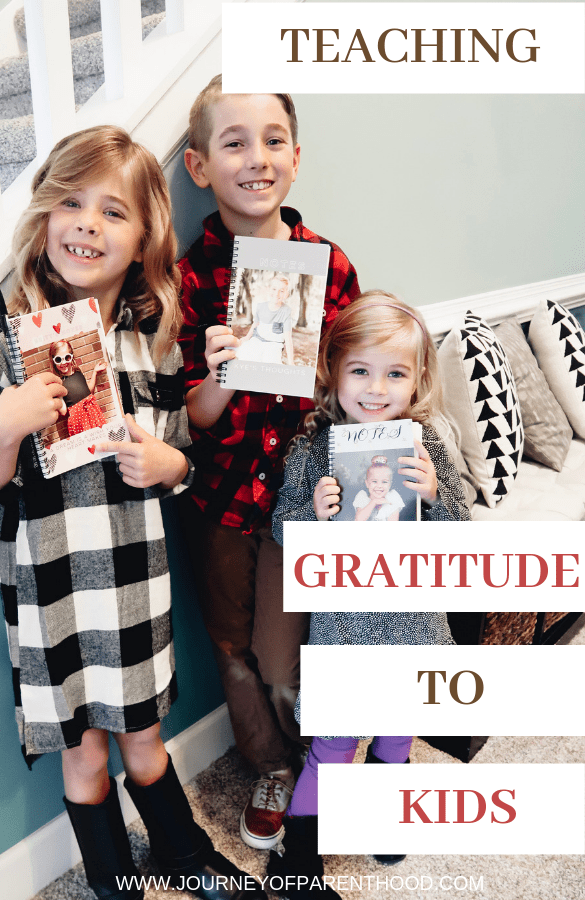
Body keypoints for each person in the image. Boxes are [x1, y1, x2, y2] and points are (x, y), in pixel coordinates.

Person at [0, 126, 266, 900]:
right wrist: (1, 425)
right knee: (84, 754)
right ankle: (116, 886)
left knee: (143, 740)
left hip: (133, 578)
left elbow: (181, 443)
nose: (86, 223)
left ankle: (185, 853)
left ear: (143, 239)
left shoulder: (153, 340)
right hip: (48, 591)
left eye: (113, 212)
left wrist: (172, 462)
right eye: (70, 202)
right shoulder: (4, 343)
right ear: (44, 217)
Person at [178, 74, 360, 851]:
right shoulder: (193, 275)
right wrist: (220, 370)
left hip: (300, 494)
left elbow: (357, 388)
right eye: (234, 141)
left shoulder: (329, 262)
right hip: (220, 497)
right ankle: (271, 764)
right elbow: (192, 414)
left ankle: (320, 757)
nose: (257, 158)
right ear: (198, 167)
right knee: (230, 641)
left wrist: (322, 363)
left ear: (296, 156)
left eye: (273, 140)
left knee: (292, 647)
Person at [269, 292, 471, 899]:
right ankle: (297, 854)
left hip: (413, 619)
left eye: (395, 373)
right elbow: (283, 529)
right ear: (334, 371)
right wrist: (316, 512)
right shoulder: (314, 445)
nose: (376, 388)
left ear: (419, 380)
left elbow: (458, 532)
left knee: (397, 728)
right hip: (346, 626)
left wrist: (435, 497)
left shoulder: (426, 442)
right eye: (360, 370)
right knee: (333, 743)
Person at [48, 338, 107, 435]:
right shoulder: (59, 383)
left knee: (101, 438)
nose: (63, 363)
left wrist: (95, 372)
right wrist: (56, 396)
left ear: (71, 356)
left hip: (93, 413)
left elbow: (89, 391)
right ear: (54, 361)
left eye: (66, 358)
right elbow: (63, 411)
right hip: (78, 420)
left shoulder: (78, 372)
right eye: (58, 359)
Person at [237, 275, 294, 365]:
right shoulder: (261, 306)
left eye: (281, 291)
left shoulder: (286, 311)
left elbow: (288, 337)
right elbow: (255, 324)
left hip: (274, 344)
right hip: (258, 339)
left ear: (286, 294)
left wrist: (291, 362)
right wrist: (247, 337)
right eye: (274, 289)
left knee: (269, 362)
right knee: (245, 354)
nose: (277, 293)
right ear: (269, 289)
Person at [353, 454, 404, 521]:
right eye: (374, 481)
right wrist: (373, 502)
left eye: (384, 482)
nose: (379, 486)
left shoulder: (393, 497)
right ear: (367, 484)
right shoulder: (362, 496)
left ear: (390, 484)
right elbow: (359, 520)